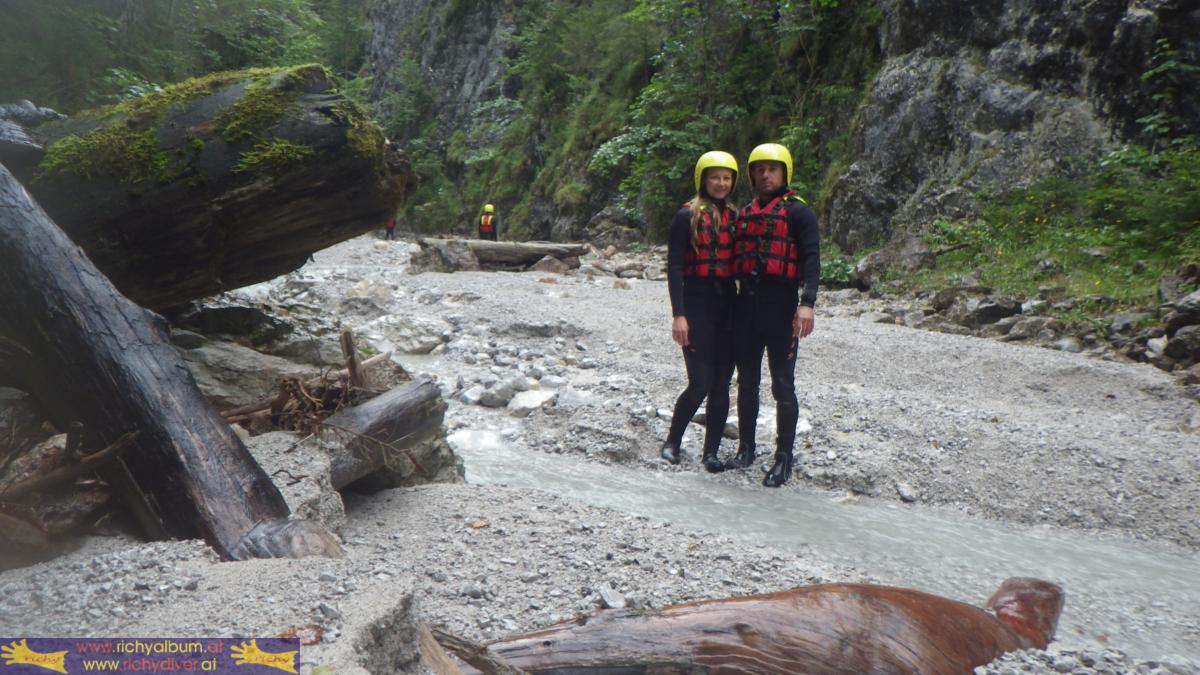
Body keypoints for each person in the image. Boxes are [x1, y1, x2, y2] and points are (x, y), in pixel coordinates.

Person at [728, 143, 819, 487]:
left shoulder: (799, 213)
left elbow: (812, 260)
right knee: (747, 381)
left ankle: (783, 458)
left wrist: (807, 304)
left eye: (773, 169)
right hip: (746, 307)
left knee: (782, 384)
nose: (766, 175)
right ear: (752, 175)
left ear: (785, 173)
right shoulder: (745, 213)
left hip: (781, 309)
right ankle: (746, 448)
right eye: (760, 170)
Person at [661, 150, 740, 473]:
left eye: (726, 178)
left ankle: (711, 453)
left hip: (728, 307)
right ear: (703, 180)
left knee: (722, 383)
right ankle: (672, 442)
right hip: (696, 305)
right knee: (701, 382)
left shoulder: (736, 217)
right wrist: (678, 315)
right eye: (715, 177)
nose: (721, 183)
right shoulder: (686, 216)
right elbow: (675, 268)